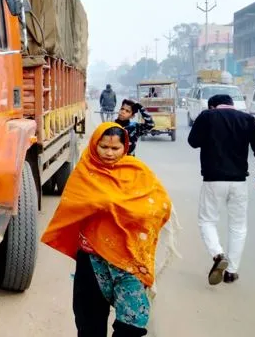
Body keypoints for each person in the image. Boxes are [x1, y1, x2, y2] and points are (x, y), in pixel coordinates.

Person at [42, 123, 172, 337]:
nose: (109, 153)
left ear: (125, 148)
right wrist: (111, 206)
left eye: (115, 148)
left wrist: (128, 211)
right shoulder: (85, 172)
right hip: (93, 260)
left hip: (130, 261)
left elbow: (161, 205)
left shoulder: (137, 171)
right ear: (95, 145)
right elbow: (71, 207)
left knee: (132, 326)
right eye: (104, 147)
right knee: (89, 325)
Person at [187, 93, 255, 285]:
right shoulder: (248, 119)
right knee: (238, 227)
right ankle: (231, 271)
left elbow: (193, 142)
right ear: (232, 105)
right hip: (239, 182)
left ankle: (217, 255)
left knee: (207, 221)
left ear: (212, 106)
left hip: (213, 180)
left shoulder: (207, 116)